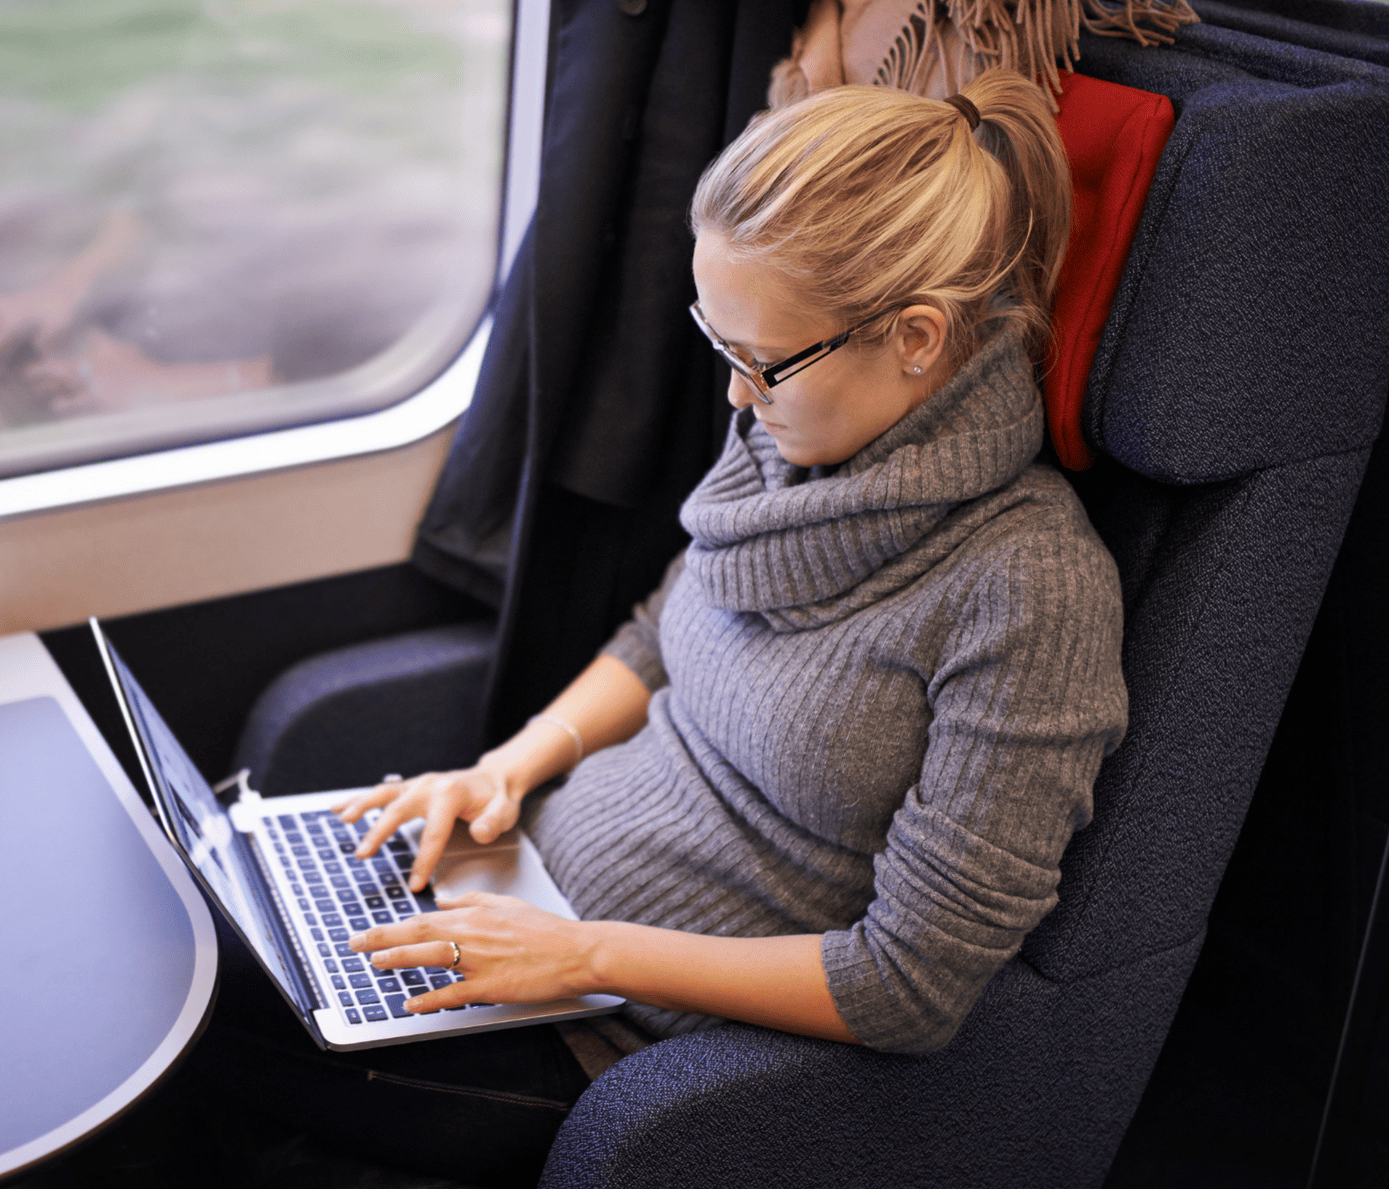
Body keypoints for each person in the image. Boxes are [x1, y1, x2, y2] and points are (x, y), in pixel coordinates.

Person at [56, 66, 1128, 1188]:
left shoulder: (1029, 592)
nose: (733, 399)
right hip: (526, 903)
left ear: (915, 336)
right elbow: (667, 627)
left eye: (758, 361)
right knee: (177, 932)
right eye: (720, 348)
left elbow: (910, 984)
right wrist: (506, 773)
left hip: (614, 1036)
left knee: (171, 1030)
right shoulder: (796, 439)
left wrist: (581, 956)